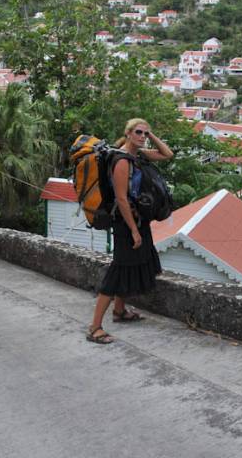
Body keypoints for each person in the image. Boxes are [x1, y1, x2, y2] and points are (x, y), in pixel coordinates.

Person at [86, 118, 174, 344]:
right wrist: (134, 231)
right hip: (126, 224)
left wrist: (151, 135)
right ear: (127, 133)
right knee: (118, 271)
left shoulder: (138, 156)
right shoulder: (122, 161)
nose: (142, 136)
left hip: (137, 220)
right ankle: (94, 327)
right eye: (138, 132)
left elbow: (167, 154)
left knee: (131, 266)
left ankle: (119, 311)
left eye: (145, 133)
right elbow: (122, 200)